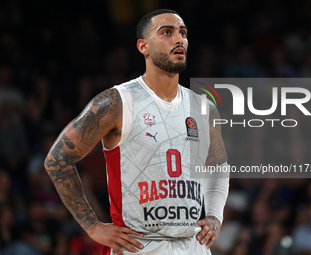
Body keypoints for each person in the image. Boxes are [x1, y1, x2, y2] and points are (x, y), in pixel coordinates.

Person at [44, 9, 229, 255]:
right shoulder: (116, 102)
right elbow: (57, 159)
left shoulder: (204, 107)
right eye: (166, 32)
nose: (178, 39)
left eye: (183, 33)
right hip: (139, 246)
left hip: (193, 245)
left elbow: (218, 165)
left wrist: (215, 215)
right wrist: (93, 226)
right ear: (143, 46)